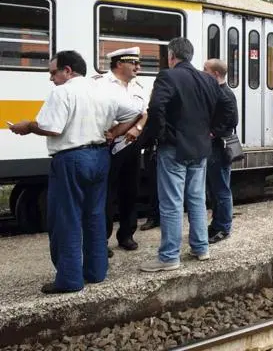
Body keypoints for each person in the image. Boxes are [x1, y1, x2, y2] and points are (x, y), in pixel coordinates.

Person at [9, 50, 141, 294]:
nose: (51, 78)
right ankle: (96, 272)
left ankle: (69, 279)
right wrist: (116, 132)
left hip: (71, 159)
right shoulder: (104, 90)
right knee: (94, 216)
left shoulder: (63, 91)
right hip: (100, 157)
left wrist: (27, 126)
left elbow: (51, 127)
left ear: (67, 71)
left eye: (53, 73)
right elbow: (136, 111)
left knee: (66, 218)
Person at [139, 38, 228, 272]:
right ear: (190, 55)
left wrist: (159, 135)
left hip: (174, 148)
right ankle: (201, 248)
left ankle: (169, 256)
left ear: (171, 56)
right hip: (200, 149)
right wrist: (210, 131)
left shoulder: (168, 76)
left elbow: (156, 108)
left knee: (171, 202)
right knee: (197, 199)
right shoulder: (208, 79)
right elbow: (224, 107)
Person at [93, 47, 148, 253]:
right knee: (106, 194)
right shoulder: (100, 84)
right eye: (133, 63)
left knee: (130, 191)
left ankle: (126, 234)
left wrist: (137, 127)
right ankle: (102, 239)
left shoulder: (137, 85)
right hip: (107, 146)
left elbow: (145, 112)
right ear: (119, 64)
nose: (138, 67)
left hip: (131, 146)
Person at [203, 59, 238, 243]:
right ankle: (217, 224)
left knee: (221, 189)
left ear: (215, 74)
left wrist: (212, 132)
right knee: (216, 188)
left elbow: (232, 121)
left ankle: (223, 227)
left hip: (218, 147)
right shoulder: (220, 92)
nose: (202, 72)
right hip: (215, 148)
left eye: (205, 69)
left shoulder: (224, 95)